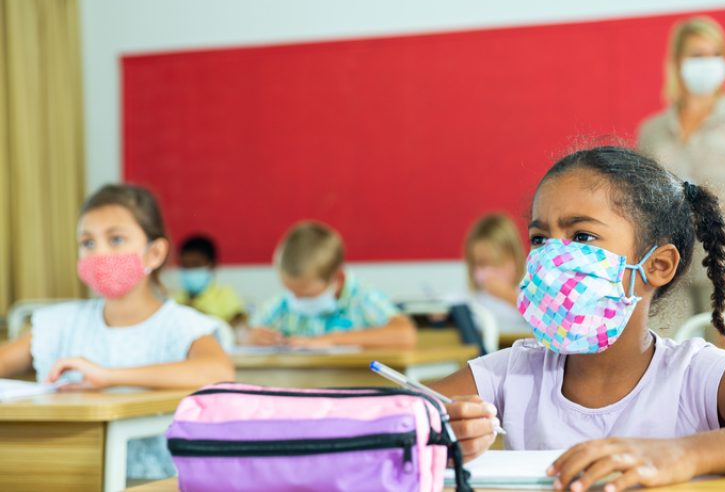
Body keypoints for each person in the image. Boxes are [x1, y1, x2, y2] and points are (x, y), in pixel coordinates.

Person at [431, 146, 725, 491]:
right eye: (540, 239)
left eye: (582, 236)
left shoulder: (694, 374)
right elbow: (382, 414)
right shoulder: (514, 371)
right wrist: (431, 428)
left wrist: (679, 455)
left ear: (657, 266)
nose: (552, 257)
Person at [0, 184, 234, 479]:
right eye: (87, 243)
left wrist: (109, 377)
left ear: (155, 253)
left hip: (156, 481)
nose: (99, 253)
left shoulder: (180, 325)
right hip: (66, 476)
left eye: (116, 239)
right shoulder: (61, 323)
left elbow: (217, 372)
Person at [636, 16, 725, 330]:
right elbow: (643, 200)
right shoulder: (652, 130)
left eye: (715, 55)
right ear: (677, 62)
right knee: (667, 361)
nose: (707, 63)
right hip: (671, 269)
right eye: (697, 56)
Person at [246, 221, 416, 348]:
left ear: (337, 277)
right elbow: (245, 331)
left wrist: (331, 339)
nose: (296, 300)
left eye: (306, 294)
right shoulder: (283, 304)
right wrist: (247, 337)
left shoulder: (362, 298)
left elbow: (405, 335)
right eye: (291, 291)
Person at [464, 213, 528, 334]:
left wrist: (508, 295)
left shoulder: (529, 292)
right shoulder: (472, 297)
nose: (489, 271)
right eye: (481, 264)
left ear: (514, 259)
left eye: (496, 263)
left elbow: (542, 318)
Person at [173, 234, 246, 325]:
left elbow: (239, 324)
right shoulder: (173, 299)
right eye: (185, 265)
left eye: (196, 265)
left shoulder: (225, 295)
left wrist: (200, 316)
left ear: (212, 265)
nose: (190, 270)